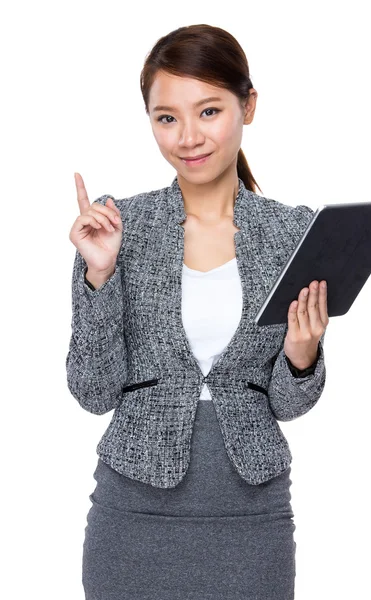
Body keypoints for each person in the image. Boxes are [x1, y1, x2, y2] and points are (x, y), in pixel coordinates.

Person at [67, 23, 329, 600]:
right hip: (133, 518)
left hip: (251, 520)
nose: (188, 136)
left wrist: (302, 357)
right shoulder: (117, 228)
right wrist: (99, 276)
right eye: (167, 117)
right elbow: (92, 392)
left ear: (248, 105)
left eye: (208, 111)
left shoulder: (292, 232)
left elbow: (289, 404)